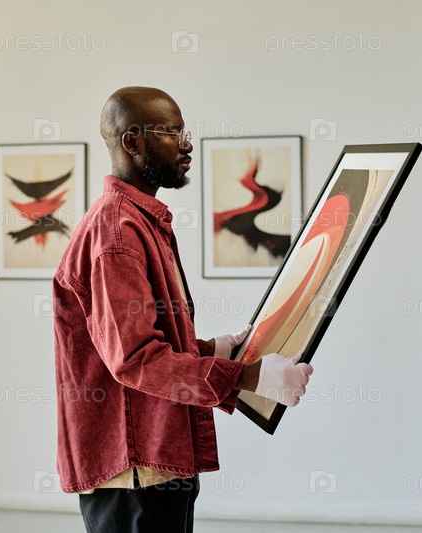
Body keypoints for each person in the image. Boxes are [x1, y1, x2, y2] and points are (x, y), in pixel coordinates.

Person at [52, 87, 313, 533]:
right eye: (172, 133)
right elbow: (135, 359)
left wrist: (213, 350)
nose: (187, 145)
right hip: (135, 467)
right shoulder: (116, 234)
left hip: (153, 458)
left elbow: (142, 338)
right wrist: (251, 378)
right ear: (132, 142)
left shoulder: (138, 221)